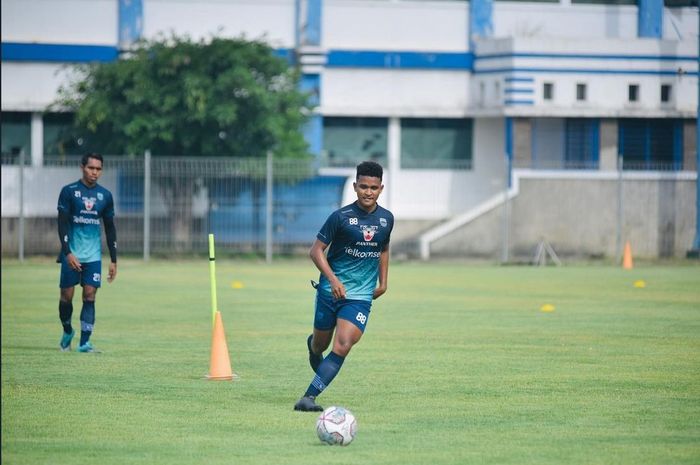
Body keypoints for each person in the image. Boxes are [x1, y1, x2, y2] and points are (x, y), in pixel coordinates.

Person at [294, 160, 394, 412]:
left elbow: (383, 248)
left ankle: (308, 397)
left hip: (360, 296)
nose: (368, 192)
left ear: (381, 188)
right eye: (363, 186)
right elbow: (316, 252)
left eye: (373, 187)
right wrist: (334, 280)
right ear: (355, 187)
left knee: (343, 344)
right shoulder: (340, 217)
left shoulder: (386, 219)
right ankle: (313, 349)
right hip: (329, 292)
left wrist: (384, 283)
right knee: (320, 345)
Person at [56, 153, 117, 353]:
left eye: (98, 169)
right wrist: (68, 253)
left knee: (89, 295)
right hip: (71, 254)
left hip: (93, 256)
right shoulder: (69, 192)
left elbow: (110, 228)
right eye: (91, 168)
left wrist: (114, 260)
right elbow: (62, 225)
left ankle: (84, 342)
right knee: (66, 296)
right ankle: (67, 330)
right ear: (82, 167)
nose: (95, 172)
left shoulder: (105, 196)